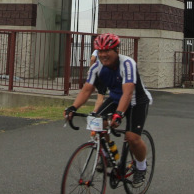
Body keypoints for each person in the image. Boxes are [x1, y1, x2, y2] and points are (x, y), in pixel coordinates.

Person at [64, 33, 152, 186]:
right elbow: (86, 90)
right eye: (100, 51)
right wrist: (73, 107)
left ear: (116, 50)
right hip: (116, 98)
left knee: (132, 138)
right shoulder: (96, 67)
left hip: (136, 101)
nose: (103, 55)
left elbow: (128, 92)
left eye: (107, 51)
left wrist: (119, 114)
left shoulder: (127, 63)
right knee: (97, 123)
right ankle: (108, 154)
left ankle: (141, 166)